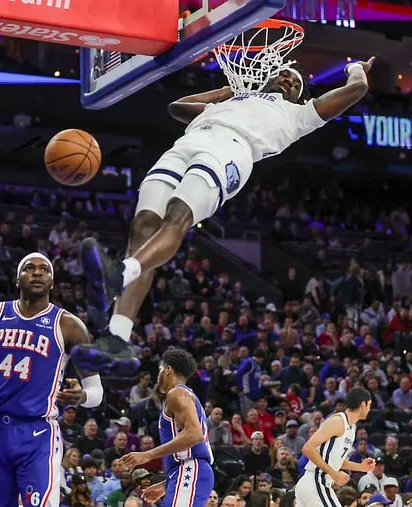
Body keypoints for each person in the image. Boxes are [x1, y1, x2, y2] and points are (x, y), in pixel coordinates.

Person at [80, 57, 376, 349]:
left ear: (300, 96)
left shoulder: (298, 115)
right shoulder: (233, 100)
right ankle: (118, 339)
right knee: (143, 226)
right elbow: (178, 107)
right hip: (188, 143)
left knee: (177, 216)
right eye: (285, 75)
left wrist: (355, 70)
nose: (288, 80)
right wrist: (225, 92)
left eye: (295, 83)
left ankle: (121, 272)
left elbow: (356, 90)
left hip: (231, 150)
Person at [0, 253, 108, 507]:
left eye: (43, 270)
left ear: (52, 283)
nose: (37, 273)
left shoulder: (70, 326)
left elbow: (97, 391)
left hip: (37, 433)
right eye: (29, 268)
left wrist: (81, 396)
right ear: (17, 279)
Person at [120, 348, 214, 507]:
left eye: (160, 370)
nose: (158, 376)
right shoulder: (185, 396)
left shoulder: (177, 393)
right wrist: (167, 484)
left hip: (190, 469)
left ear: (168, 369)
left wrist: (148, 455)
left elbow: (194, 434)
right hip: (184, 472)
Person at [294, 387, 376, 507]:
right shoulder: (337, 421)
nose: (370, 409)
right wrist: (333, 473)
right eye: (369, 405)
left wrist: (360, 467)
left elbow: (335, 460)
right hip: (316, 481)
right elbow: (308, 448)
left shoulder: (352, 428)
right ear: (362, 404)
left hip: (317, 484)